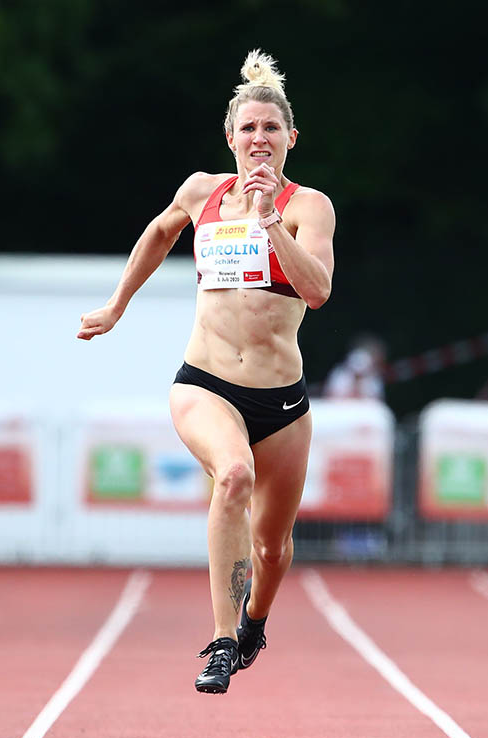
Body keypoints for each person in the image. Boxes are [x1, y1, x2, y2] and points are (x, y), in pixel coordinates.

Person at [78, 50, 335, 693]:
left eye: (271, 130)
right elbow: (159, 234)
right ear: (230, 138)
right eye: (248, 129)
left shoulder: (310, 207)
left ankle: (254, 621)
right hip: (206, 382)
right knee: (232, 476)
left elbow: (318, 289)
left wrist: (272, 219)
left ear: (290, 140)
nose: (259, 140)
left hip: (282, 402)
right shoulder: (202, 192)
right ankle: (221, 642)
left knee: (274, 548)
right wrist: (116, 305)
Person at [324, 334, 387, 400]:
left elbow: (377, 400)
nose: (358, 374)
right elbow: (330, 396)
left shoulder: (373, 378)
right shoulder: (339, 375)